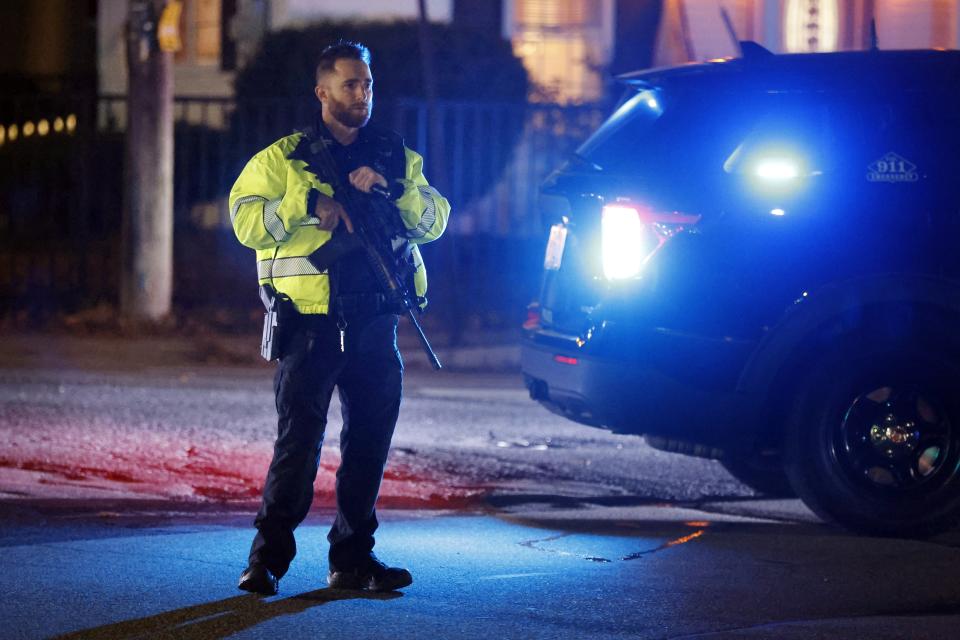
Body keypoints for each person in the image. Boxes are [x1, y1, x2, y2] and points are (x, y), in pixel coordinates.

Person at [229, 40, 449, 595]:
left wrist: (391, 188)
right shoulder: (286, 157)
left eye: (368, 84)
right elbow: (244, 221)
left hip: (377, 325)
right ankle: (267, 561)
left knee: (367, 449)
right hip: (311, 325)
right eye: (351, 84)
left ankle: (352, 560)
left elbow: (433, 220)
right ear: (322, 91)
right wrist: (304, 206)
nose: (363, 94)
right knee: (297, 448)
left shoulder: (394, 155)